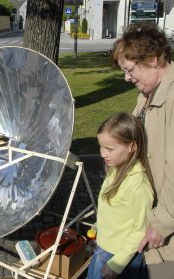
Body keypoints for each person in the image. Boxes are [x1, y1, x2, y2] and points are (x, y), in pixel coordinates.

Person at [111, 21, 174, 279]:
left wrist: (161, 223)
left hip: (167, 233)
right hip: (149, 217)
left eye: (130, 69)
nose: (127, 77)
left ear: (153, 59)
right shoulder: (146, 97)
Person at [87, 112, 154, 279]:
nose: (103, 153)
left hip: (117, 257)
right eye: (101, 146)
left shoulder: (138, 187)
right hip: (104, 248)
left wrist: (117, 264)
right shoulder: (116, 169)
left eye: (109, 148)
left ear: (132, 147)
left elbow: (141, 231)